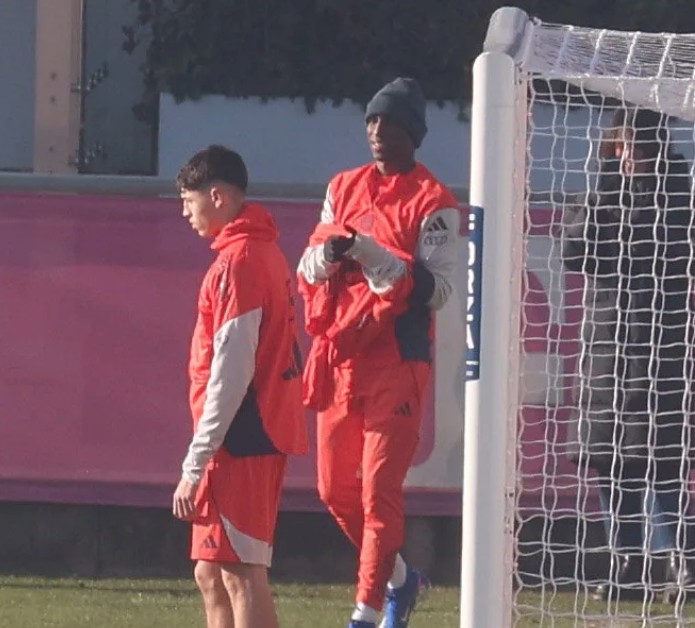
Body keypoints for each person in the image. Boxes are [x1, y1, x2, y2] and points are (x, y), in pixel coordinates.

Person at [297, 77, 461, 628]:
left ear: (412, 132)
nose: (376, 130)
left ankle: (366, 612)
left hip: (397, 357)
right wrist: (328, 256)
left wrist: (380, 259)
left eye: (388, 121)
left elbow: (439, 290)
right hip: (342, 354)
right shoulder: (343, 186)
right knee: (334, 489)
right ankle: (400, 580)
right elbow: (308, 264)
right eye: (371, 119)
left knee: (378, 490)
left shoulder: (434, 202)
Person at [561, 107, 695, 602]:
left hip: (665, 345)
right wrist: (607, 194)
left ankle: (679, 563)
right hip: (607, 349)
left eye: (636, 145)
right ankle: (626, 565)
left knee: (664, 459)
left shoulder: (680, 198)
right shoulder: (596, 197)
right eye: (619, 145)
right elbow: (575, 253)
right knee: (612, 460)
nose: (626, 155)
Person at [172, 145, 308, 628]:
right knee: (211, 571)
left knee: (239, 572)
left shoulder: (242, 261)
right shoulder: (252, 253)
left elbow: (231, 372)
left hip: (244, 434)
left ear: (218, 196)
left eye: (189, 201)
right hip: (242, 432)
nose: (185, 212)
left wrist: (196, 461)